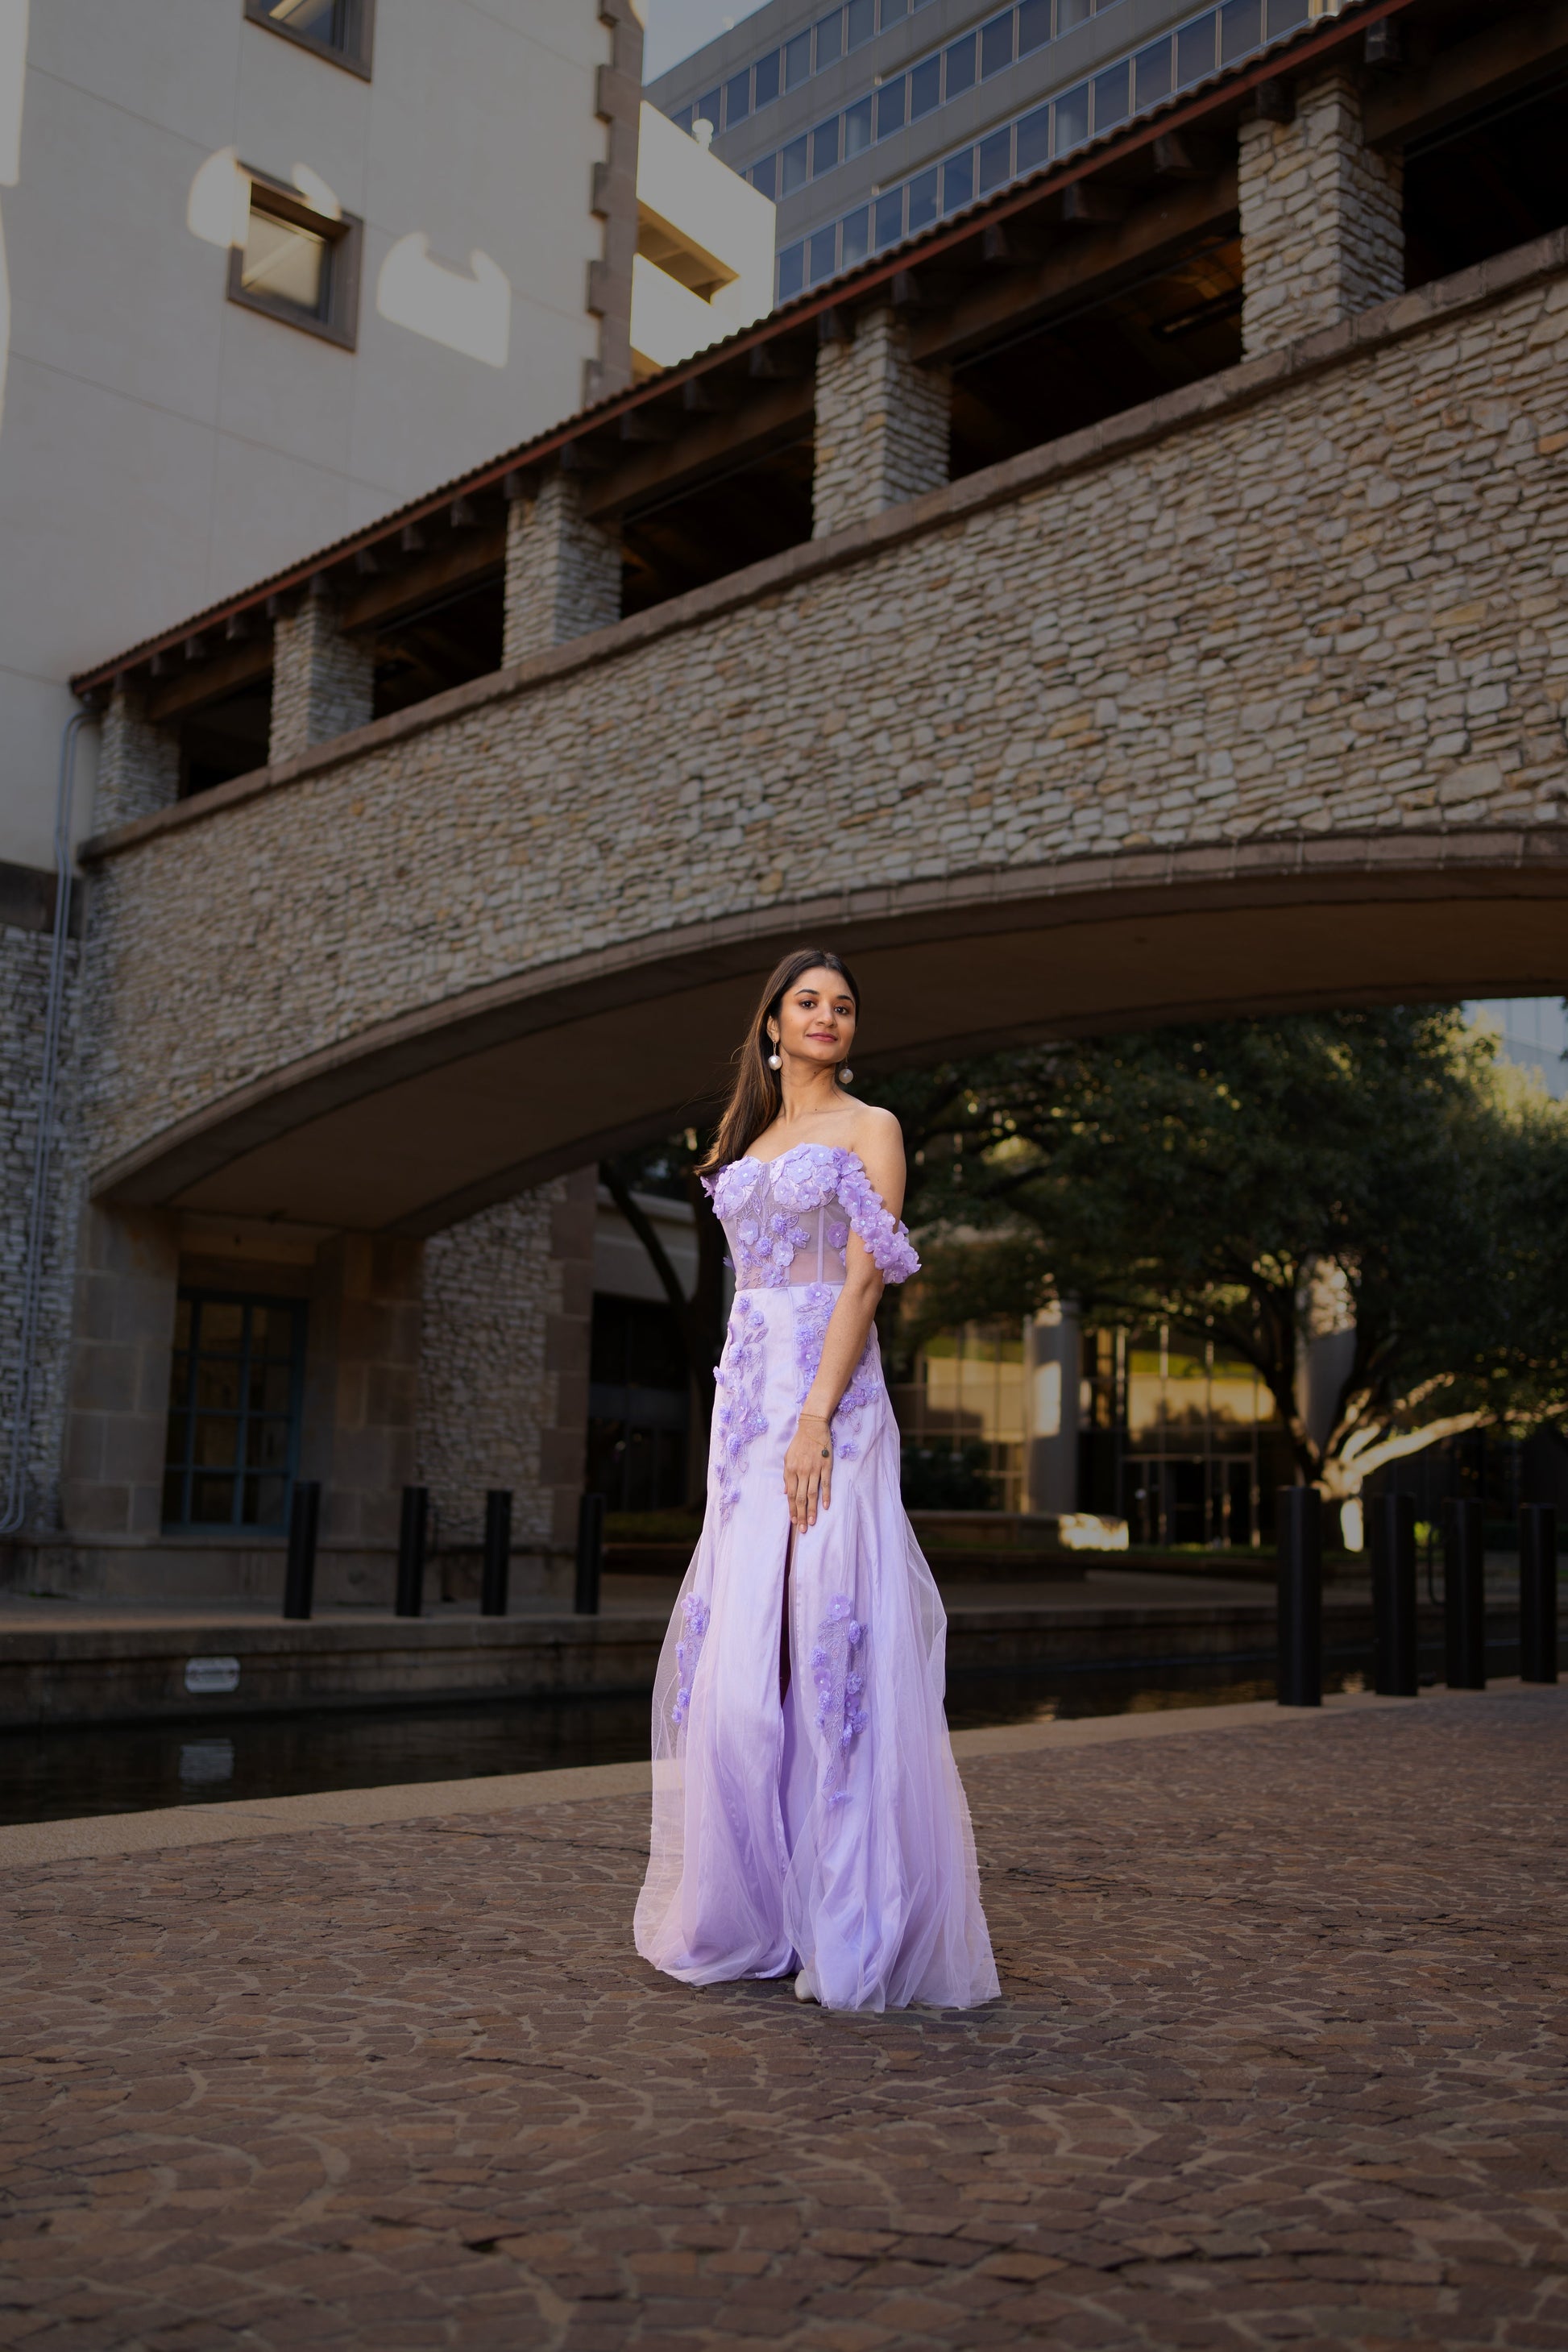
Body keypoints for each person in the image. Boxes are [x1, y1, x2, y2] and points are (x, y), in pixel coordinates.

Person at [633, 949, 998, 2013]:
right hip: (743, 1415)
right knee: (740, 1684)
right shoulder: (743, 1141)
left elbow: (861, 1282)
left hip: (829, 1409)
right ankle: (750, 1911)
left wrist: (814, 1419)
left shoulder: (870, 1127)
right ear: (771, 1025)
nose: (828, 1016)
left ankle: (854, 1924)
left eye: (842, 1005)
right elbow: (749, 1289)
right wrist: (765, 1421)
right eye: (808, 1002)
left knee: (836, 1650)